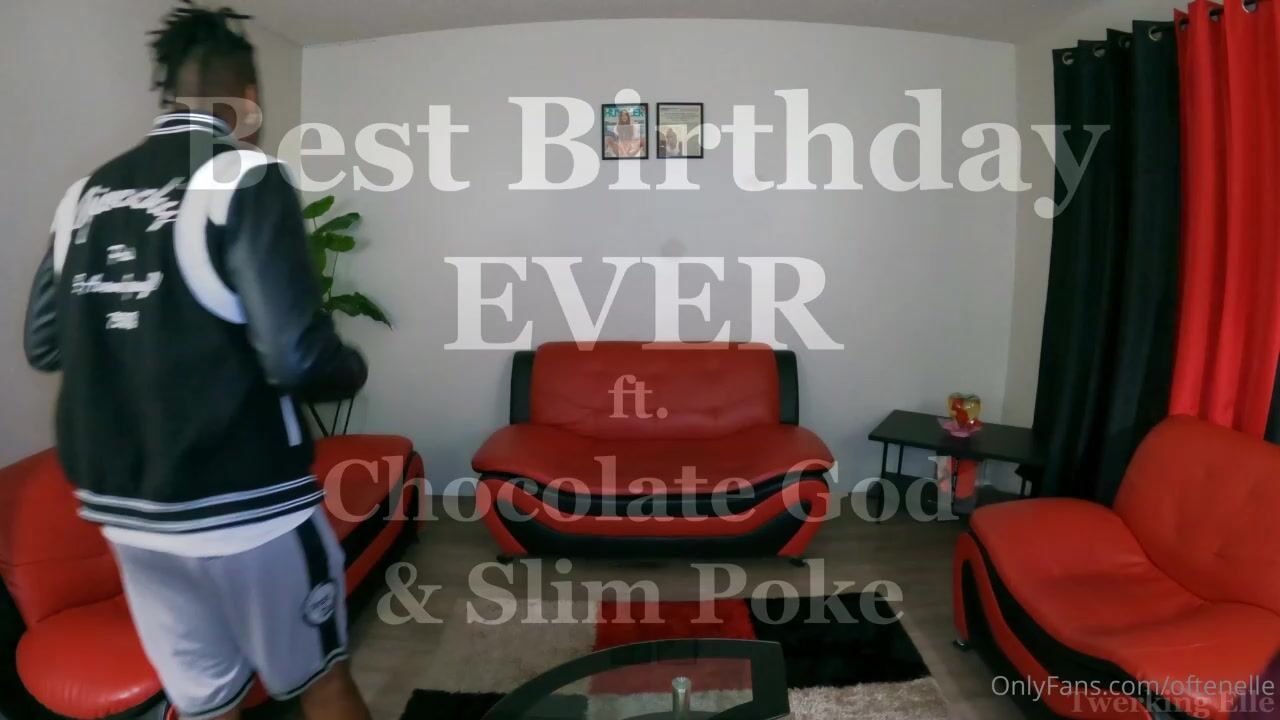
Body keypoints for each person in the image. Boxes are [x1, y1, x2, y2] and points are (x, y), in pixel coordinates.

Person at [22, 3, 371, 719]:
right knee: (322, 678)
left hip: (127, 517)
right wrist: (352, 368)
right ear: (247, 98)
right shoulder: (243, 177)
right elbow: (298, 358)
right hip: (247, 510)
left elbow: (45, 344)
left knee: (209, 703)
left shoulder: (83, 195)